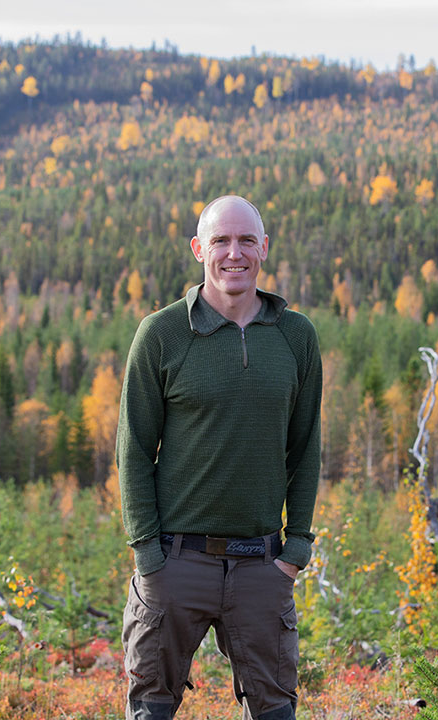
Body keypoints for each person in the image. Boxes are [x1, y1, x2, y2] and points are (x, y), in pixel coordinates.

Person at [116, 195, 322, 720]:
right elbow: (134, 450)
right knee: (151, 710)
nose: (235, 253)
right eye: (221, 241)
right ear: (198, 249)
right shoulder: (160, 334)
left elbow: (305, 447)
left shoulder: (296, 337)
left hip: (262, 565)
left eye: (247, 240)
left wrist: (295, 549)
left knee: (276, 710)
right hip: (175, 562)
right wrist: (148, 557)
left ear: (264, 249)